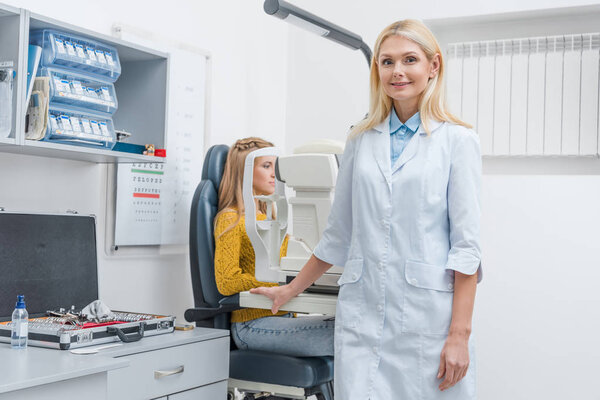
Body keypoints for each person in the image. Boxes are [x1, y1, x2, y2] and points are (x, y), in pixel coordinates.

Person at [250, 20, 482, 399]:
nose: (398, 71)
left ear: (433, 66)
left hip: (427, 323)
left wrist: (460, 335)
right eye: (387, 62)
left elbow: (467, 249)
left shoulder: (458, 141)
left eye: (410, 59)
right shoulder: (360, 138)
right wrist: (290, 289)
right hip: (363, 320)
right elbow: (339, 234)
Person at [213, 137, 334, 358]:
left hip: (283, 318)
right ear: (245, 172)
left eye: (275, 166)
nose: (273, 174)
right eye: (266, 166)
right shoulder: (231, 220)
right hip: (252, 326)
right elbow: (226, 281)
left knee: (353, 325)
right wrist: (283, 284)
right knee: (342, 335)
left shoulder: (272, 220)